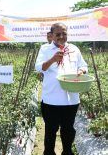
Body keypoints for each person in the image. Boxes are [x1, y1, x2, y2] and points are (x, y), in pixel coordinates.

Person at [35, 23, 88, 155]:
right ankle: (48, 152)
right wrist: (52, 59)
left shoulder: (74, 49)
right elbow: (39, 68)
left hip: (71, 99)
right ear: (51, 35)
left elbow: (83, 65)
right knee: (50, 131)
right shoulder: (45, 49)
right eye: (58, 34)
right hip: (51, 99)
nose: (61, 36)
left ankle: (67, 152)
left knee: (68, 130)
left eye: (64, 33)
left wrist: (82, 70)